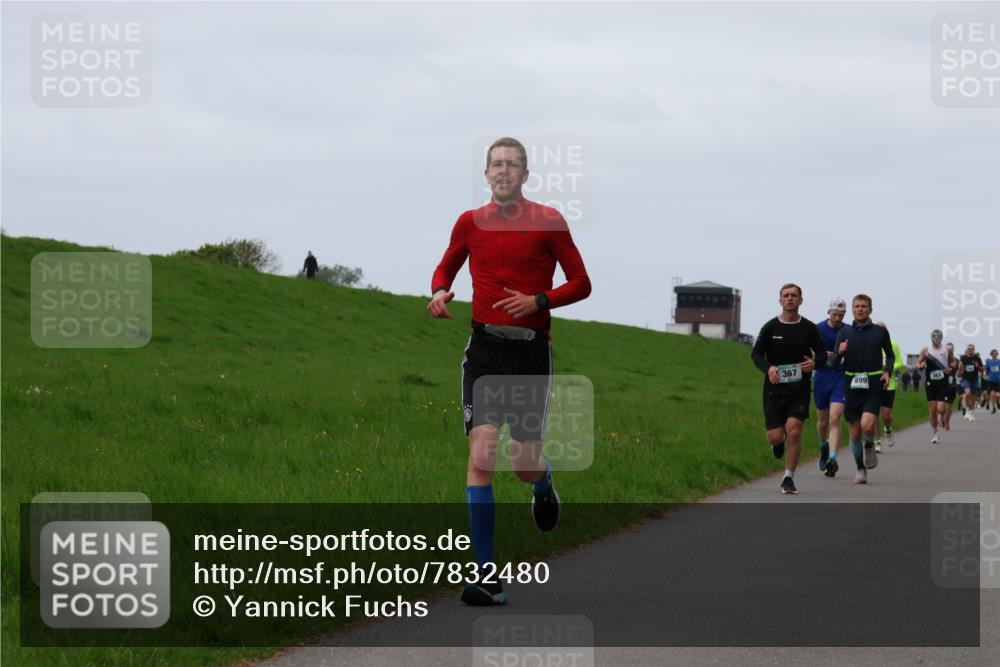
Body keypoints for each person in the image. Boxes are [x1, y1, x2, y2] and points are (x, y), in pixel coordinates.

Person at [428, 137, 591, 606]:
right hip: (483, 352)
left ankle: (542, 482)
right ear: (486, 174)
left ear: (525, 174)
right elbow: (446, 267)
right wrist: (440, 292)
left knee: (522, 466)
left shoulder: (548, 222)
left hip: (529, 356)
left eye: (512, 164)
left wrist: (539, 301)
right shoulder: (469, 222)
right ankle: (485, 575)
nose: (503, 171)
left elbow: (582, 282)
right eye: (496, 164)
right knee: (481, 456)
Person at [750, 283, 827, 494]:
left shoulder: (809, 328)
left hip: (799, 388)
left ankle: (788, 478)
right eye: (786, 296)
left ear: (801, 300)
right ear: (780, 300)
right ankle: (777, 443)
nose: (790, 299)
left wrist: (815, 364)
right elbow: (756, 355)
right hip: (774, 389)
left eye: (794, 295)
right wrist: (769, 368)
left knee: (794, 430)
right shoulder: (770, 327)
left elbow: (821, 354)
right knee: (776, 436)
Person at [829, 295, 892, 484]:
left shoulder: (880, 332)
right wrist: (839, 352)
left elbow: (889, 355)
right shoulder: (844, 333)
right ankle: (860, 468)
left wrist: (887, 372)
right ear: (853, 310)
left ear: (870, 310)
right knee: (855, 433)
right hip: (851, 386)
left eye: (864, 306)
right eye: (857, 306)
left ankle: (870, 444)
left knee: (867, 425)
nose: (860, 309)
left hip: (873, 384)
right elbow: (833, 364)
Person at [813, 298, 848, 477]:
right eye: (834, 314)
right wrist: (821, 354)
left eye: (841, 315)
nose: (837, 318)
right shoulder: (818, 329)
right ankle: (823, 447)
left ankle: (833, 459)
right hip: (822, 376)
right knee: (823, 421)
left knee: (835, 418)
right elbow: (808, 350)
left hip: (840, 377)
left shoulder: (848, 330)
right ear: (829, 312)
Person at [917, 331, 953, 443]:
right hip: (930, 383)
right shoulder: (926, 350)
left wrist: (950, 368)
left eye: (938, 337)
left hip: (943, 382)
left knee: (941, 408)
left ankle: (941, 417)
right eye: (934, 337)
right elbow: (918, 363)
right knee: (932, 409)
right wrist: (921, 365)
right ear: (931, 338)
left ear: (941, 338)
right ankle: (935, 432)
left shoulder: (947, 349)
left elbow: (952, 362)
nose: (936, 339)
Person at [873, 323, 904, 453]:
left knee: (886, 415)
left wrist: (887, 369)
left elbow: (899, 363)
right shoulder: (871, 342)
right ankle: (877, 442)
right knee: (874, 415)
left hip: (888, 383)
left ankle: (888, 430)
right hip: (873, 382)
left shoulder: (893, 344)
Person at [958, 344, 984, 421]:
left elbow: (982, 368)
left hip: (974, 379)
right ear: (967, 349)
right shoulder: (963, 358)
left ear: (974, 350)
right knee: (967, 393)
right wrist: (960, 368)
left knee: (973, 397)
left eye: (972, 349)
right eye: (969, 349)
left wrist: (978, 367)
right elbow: (960, 368)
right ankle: (966, 410)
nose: (970, 350)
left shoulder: (977, 358)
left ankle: (970, 411)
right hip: (966, 378)